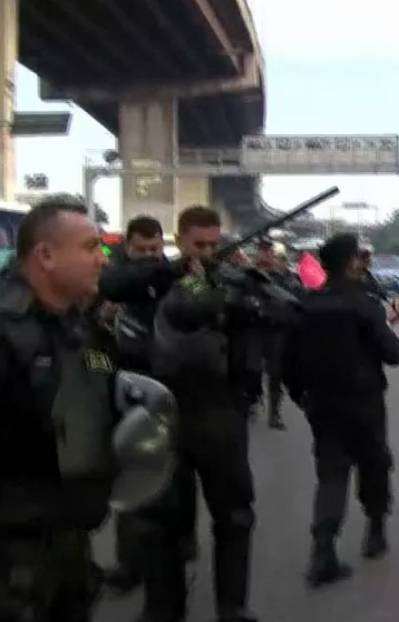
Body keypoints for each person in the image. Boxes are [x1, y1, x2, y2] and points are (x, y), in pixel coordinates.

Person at [141, 206, 257, 622]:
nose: (208, 251)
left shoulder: (231, 281)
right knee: (161, 523)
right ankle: (162, 609)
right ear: (180, 240)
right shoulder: (154, 281)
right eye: (199, 244)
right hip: (161, 412)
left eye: (214, 244)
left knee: (235, 517)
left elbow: (273, 315)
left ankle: (232, 607)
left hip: (220, 411)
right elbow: (99, 352)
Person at [0, 198, 114, 621]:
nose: (101, 259)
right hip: (16, 542)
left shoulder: (77, 323)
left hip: (66, 525)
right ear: (45, 255)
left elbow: (100, 374)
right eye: (89, 247)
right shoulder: (6, 328)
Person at [282, 234, 399, 587]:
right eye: (360, 256)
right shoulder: (364, 305)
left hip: (322, 403)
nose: (364, 262)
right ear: (351, 262)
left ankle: (323, 551)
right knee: (374, 464)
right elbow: (393, 354)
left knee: (332, 475)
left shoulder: (305, 304)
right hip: (363, 402)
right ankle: (376, 531)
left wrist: (299, 396)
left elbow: (287, 360)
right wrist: (388, 324)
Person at [95, 216, 187, 594]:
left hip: (167, 390)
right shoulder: (115, 278)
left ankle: (169, 558)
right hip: (122, 388)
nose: (149, 257)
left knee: (169, 484)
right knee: (130, 482)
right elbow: (114, 286)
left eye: (155, 250)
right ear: (127, 247)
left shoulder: (174, 278)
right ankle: (130, 564)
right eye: (141, 250)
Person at [256, 239, 303, 430]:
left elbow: (299, 300)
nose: (270, 257)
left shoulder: (291, 279)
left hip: (282, 332)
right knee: (251, 371)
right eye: (265, 252)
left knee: (276, 373)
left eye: (273, 255)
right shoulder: (255, 276)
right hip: (257, 330)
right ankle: (252, 398)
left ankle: (274, 412)